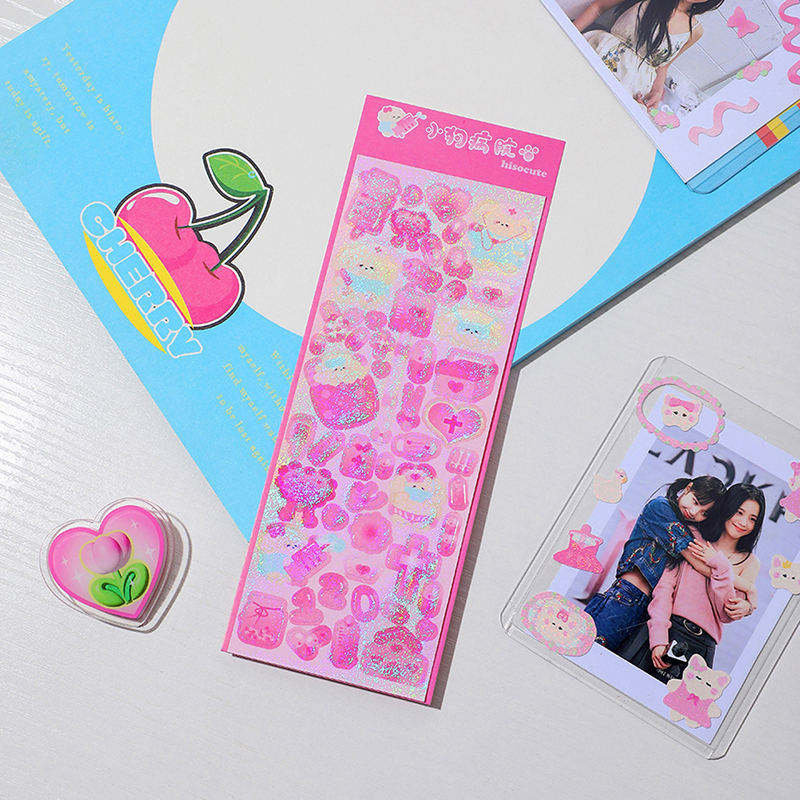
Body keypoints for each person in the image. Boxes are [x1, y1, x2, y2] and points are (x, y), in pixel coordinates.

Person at [629, 484, 764, 681]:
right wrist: (659, 638)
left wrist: (720, 565)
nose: (743, 522)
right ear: (727, 507)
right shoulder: (693, 536)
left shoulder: (750, 562)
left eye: (752, 519)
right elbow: (665, 589)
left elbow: (725, 614)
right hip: (666, 629)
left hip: (701, 648)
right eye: (739, 512)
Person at [585, 476, 725, 651]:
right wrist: (736, 580)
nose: (694, 512)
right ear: (688, 488)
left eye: (704, 513)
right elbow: (697, 562)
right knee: (589, 651)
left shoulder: (688, 527)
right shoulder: (661, 508)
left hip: (648, 611)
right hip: (627, 598)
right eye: (695, 502)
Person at [573, 0, 723, 110]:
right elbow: (599, 6)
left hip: (635, 83)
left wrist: (657, 93)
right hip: (603, 53)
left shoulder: (695, 30)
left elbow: (663, 65)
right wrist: (569, 31)